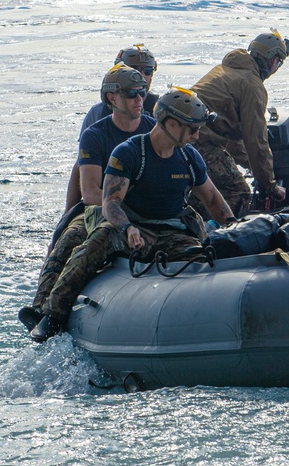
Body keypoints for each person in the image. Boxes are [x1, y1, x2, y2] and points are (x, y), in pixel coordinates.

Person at [30, 88, 235, 342]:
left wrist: (234, 228)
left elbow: (213, 199)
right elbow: (111, 202)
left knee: (204, 257)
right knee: (97, 242)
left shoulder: (189, 157)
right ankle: (53, 313)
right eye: (192, 128)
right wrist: (127, 228)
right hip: (134, 228)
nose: (197, 135)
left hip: (172, 233)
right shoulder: (129, 153)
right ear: (171, 124)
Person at [18, 64, 156, 332]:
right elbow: (91, 192)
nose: (140, 99)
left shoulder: (153, 132)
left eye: (143, 92)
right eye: (132, 94)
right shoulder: (95, 136)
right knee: (70, 237)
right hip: (101, 207)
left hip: (144, 209)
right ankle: (42, 306)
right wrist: (116, 209)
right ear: (111, 99)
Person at [188, 29, 289, 218]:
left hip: (182, 136)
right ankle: (217, 239)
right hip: (198, 141)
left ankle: (195, 224)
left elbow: (230, 136)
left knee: (202, 192)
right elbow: (256, 140)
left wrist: (252, 165)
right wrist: (270, 185)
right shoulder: (251, 86)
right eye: (279, 62)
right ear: (273, 60)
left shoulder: (227, 70)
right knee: (239, 191)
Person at [65, 44, 160, 213]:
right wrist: (69, 212)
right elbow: (82, 165)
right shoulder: (99, 113)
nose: (143, 76)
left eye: (148, 71)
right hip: (105, 187)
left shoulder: (158, 109)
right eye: (136, 70)